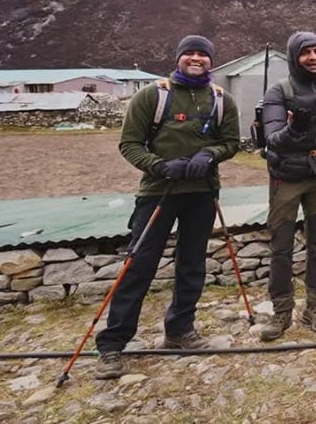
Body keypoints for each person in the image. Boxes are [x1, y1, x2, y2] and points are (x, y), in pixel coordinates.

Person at [95, 35, 240, 379]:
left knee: (192, 264)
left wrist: (210, 155)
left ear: (211, 60)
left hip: (202, 192)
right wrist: (159, 166)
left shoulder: (222, 100)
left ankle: (180, 330)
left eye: (203, 54)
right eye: (189, 53)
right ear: (178, 58)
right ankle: (112, 345)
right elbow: (130, 143)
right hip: (158, 192)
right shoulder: (153, 95)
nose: (196, 58)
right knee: (139, 265)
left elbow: (231, 143)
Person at [256, 30, 316, 340]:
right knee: (282, 246)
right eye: (305, 52)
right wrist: (293, 129)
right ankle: (282, 310)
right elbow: (272, 139)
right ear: (294, 57)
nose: (313, 58)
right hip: (286, 178)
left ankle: (315, 306)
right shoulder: (279, 91)